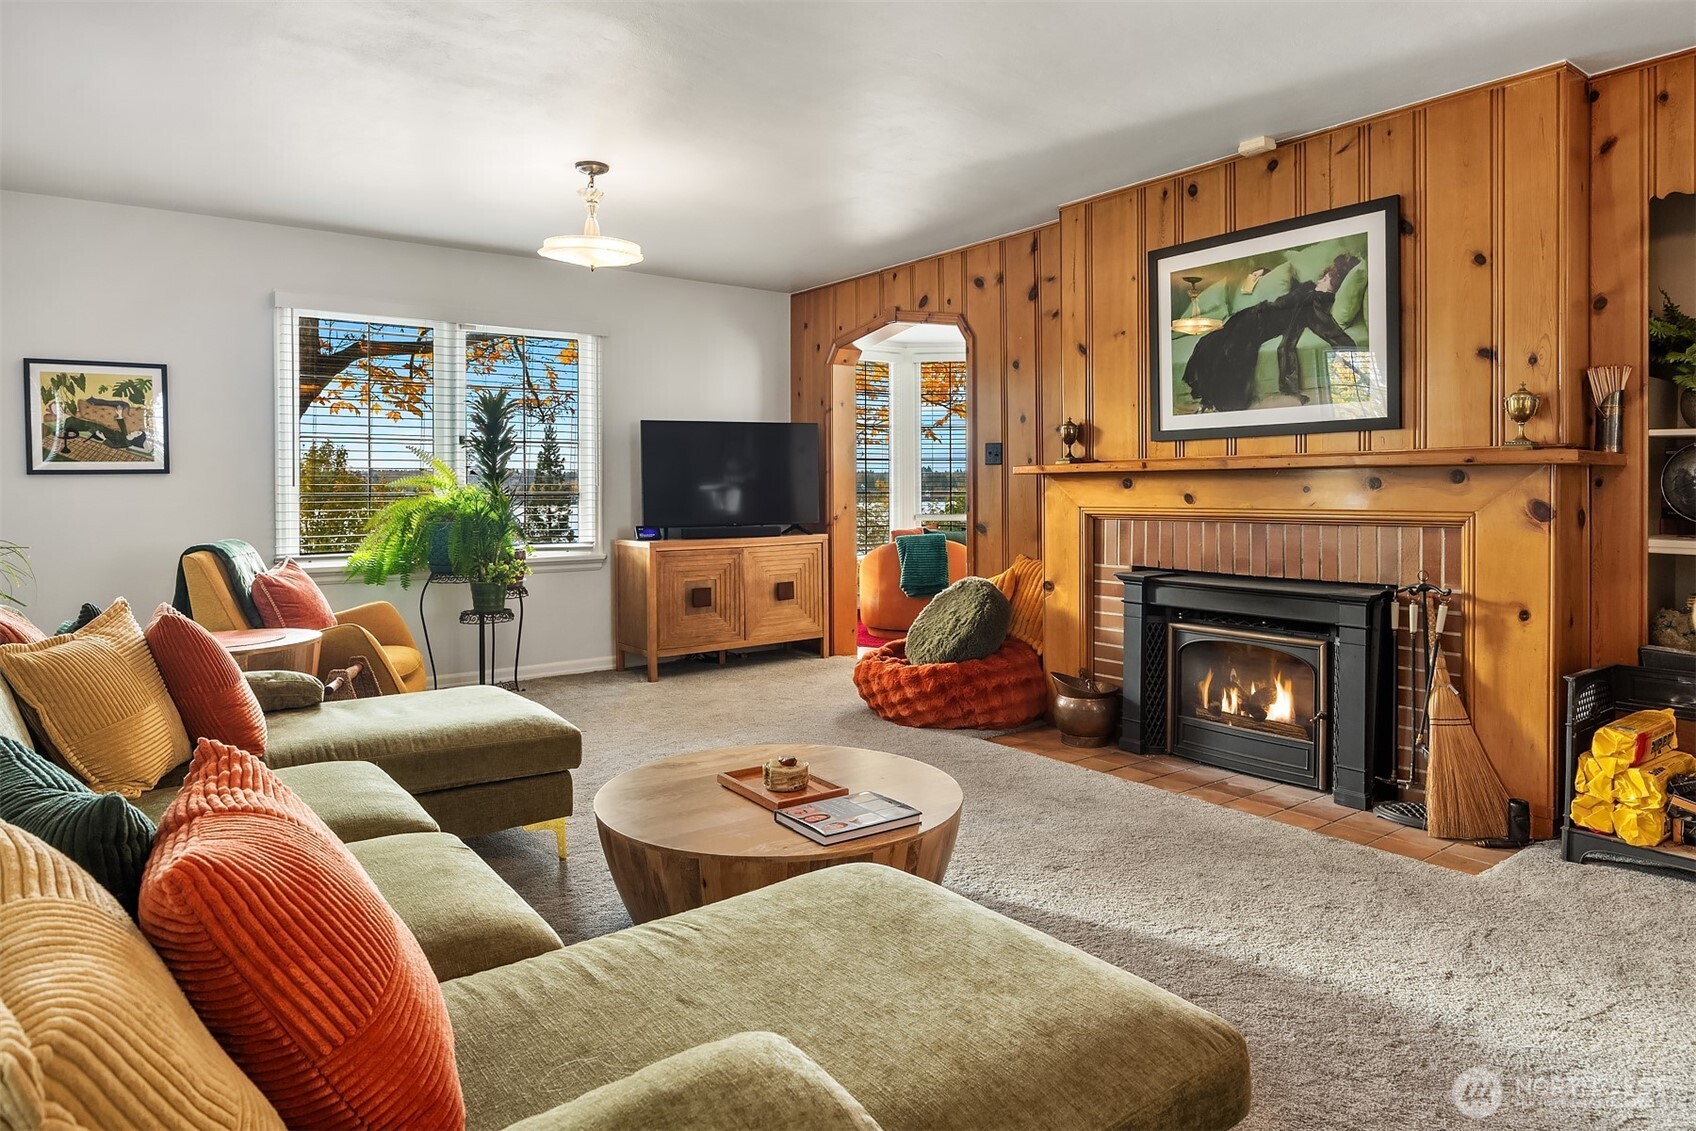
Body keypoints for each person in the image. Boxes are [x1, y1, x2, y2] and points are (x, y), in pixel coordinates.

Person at [1181, 253, 1361, 413]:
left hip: (1258, 323)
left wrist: (1345, 351)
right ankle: (1208, 399)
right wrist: (1265, 272)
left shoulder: (1316, 302)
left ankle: (1213, 401)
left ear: (1334, 285)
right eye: (1323, 277)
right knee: (1210, 341)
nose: (1320, 281)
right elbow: (1292, 286)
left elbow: (1330, 329)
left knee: (1230, 349)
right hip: (1253, 314)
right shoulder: (1309, 287)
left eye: (1326, 279)